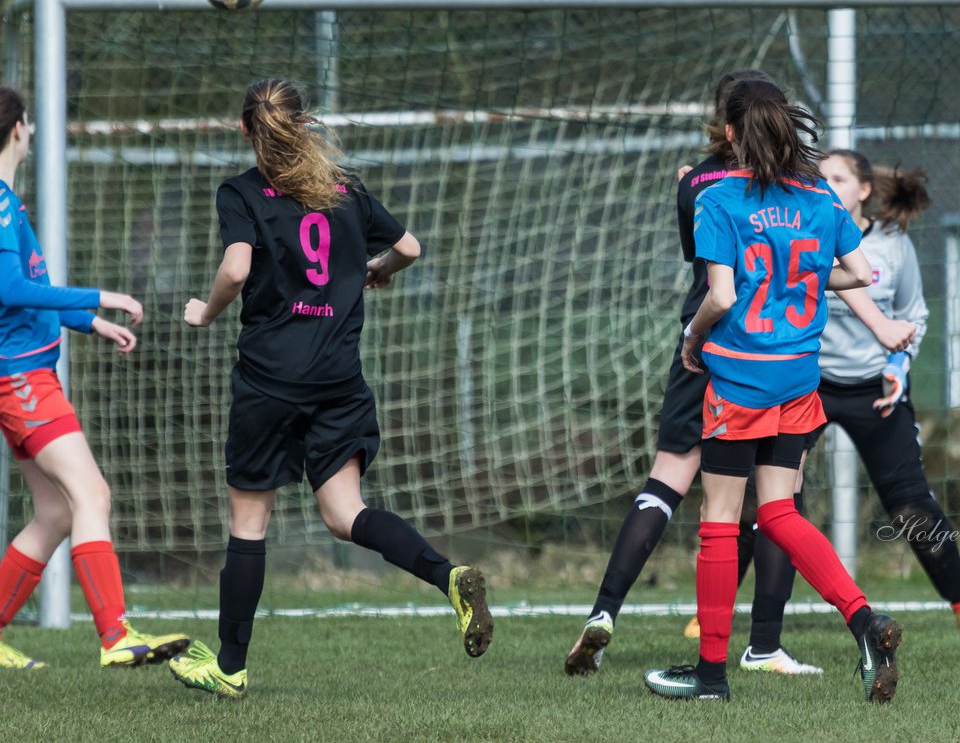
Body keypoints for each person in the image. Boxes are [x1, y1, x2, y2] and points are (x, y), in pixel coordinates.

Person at [564, 70, 912, 678]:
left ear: (730, 131)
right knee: (780, 511)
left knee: (719, 517)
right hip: (800, 379)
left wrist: (692, 338)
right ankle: (862, 620)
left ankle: (709, 672)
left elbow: (720, 295)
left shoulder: (715, 197)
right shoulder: (819, 196)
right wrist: (795, 281)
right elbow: (857, 275)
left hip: (741, 378)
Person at [168, 78, 492, 699]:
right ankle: (448, 576)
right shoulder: (345, 190)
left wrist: (204, 313)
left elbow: (236, 269)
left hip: (270, 381)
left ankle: (230, 669)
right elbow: (410, 248)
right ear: (305, 124)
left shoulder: (240, 191)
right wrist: (377, 271)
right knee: (346, 513)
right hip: (338, 382)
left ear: (245, 131)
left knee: (248, 522)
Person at [0, 85, 190, 671]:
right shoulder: (0, 204)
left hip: (27, 375)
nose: (32, 133)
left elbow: (26, 296)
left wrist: (90, 322)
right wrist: (101, 294)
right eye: (29, 124)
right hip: (23, 381)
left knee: (56, 512)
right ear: (17, 130)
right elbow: (9, 290)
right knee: (93, 495)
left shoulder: (9, 201)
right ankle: (115, 634)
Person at [814, 150, 960, 633]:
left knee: (911, 504)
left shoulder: (893, 244)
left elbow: (914, 315)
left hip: (877, 390)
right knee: (768, 501)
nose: (825, 185)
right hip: (808, 385)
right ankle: (715, 615)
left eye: (837, 178)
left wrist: (899, 364)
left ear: (863, 191)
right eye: (819, 177)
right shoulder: (800, 235)